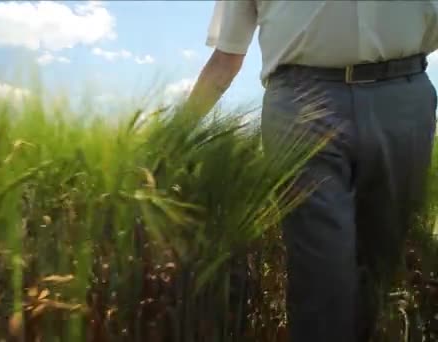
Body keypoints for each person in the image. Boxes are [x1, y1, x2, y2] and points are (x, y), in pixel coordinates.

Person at [183, 1, 438, 341]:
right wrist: (174, 135)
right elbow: (226, 58)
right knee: (321, 273)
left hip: (405, 96)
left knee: (379, 270)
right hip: (301, 104)